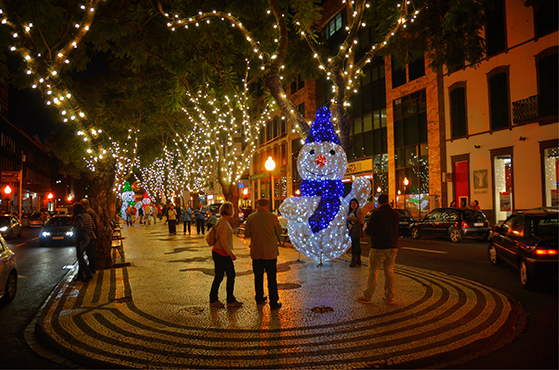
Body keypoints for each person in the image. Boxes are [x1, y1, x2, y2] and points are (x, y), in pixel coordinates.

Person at [356, 194, 400, 305]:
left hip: (379, 246)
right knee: (389, 271)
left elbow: (370, 231)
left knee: (373, 271)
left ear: (379, 202)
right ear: (388, 202)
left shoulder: (376, 214)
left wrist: (365, 228)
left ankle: (367, 296)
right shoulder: (395, 214)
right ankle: (390, 297)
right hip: (393, 246)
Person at [244, 198, 283, 310]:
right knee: (272, 278)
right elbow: (279, 232)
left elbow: (247, 233)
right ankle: (273, 302)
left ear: (257, 206)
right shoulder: (272, 217)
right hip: (270, 253)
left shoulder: (251, 218)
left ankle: (259, 298)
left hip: (256, 252)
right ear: (267, 206)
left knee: (258, 277)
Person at [209, 202, 242, 308]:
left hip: (220, 252)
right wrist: (230, 254)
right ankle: (219, 299)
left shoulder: (222, 221)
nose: (234, 211)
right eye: (232, 209)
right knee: (225, 276)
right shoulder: (223, 223)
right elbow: (223, 241)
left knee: (222, 276)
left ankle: (224, 298)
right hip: (221, 253)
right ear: (229, 210)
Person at [72, 202, 96, 282]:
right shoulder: (88, 215)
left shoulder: (79, 216)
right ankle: (81, 274)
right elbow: (93, 226)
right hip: (90, 238)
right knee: (88, 255)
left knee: (80, 257)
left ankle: (88, 274)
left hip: (82, 238)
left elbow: (80, 227)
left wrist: (74, 230)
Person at [80, 198, 98, 274]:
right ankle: (91, 269)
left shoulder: (86, 213)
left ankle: (89, 270)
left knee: (88, 253)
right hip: (92, 235)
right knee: (90, 253)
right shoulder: (92, 211)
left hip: (88, 236)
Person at [347, 198, 365, 267]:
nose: (352, 205)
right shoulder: (353, 210)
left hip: (356, 230)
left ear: (357, 204)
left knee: (355, 245)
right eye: (351, 203)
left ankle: (355, 259)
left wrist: (349, 218)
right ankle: (357, 260)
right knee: (354, 244)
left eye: (354, 203)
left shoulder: (359, 210)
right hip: (352, 229)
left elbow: (360, 220)